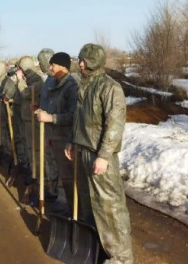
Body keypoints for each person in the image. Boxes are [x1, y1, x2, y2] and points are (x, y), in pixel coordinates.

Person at [65, 43, 134, 263]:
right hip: (83, 152)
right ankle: (99, 248)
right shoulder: (82, 86)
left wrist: (104, 155)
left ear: (94, 62)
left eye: (84, 59)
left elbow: (115, 124)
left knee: (110, 207)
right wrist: (72, 142)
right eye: (80, 58)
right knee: (89, 205)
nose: (80, 63)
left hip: (99, 156)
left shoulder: (110, 87)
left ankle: (121, 257)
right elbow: (79, 119)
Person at [36, 52, 78, 214]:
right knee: (62, 173)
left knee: (67, 177)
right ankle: (65, 203)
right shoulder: (56, 84)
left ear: (62, 66)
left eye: (53, 64)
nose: (50, 67)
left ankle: (71, 208)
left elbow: (73, 116)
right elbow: (54, 109)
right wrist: (49, 136)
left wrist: (50, 118)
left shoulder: (71, 87)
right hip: (56, 137)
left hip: (66, 138)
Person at [14, 56, 44, 186]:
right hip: (25, 119)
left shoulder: (38, 82)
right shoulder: (27, 80)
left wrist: (20, 80)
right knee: (28, 147)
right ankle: (32, 172)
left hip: (34, 122)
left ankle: (38, 176)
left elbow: (26, 93)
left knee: (35, 149)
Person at [37, 48, 59, 201]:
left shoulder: (62, 81)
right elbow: (46, 101)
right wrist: (39, 107)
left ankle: (59, 192)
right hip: (47, 125)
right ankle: (52, 187)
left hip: (57, 126)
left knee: (57, 161)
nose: (40, 65)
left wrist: (49, 116)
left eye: (41, 62)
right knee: (49, 159)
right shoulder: (48, 80)